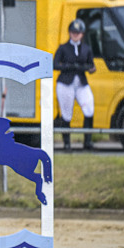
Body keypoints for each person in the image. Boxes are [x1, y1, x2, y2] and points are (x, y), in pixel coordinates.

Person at [53, 18, 96, 151]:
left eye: (78, 33)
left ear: (82, 34)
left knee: (89, 108)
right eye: (73, 32)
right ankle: (67, 143)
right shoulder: (63, 48)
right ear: (70, 33)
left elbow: (92, 65)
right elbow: (55, 64)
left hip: (81, 82)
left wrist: (86, 68)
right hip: (65, 83)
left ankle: (87, 141)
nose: (75, 35)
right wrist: (69, 66)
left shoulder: (86, 49)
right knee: (66, 113)